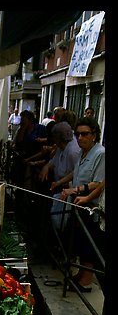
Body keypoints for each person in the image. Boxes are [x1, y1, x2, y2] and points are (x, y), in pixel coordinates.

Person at [60, 117, 105, 291]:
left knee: (89, 244)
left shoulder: (100, 153)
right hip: (79, 204)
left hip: (91, 206)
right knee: (78, 241)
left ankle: (86, 280)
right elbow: (76, 172)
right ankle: (80, 274)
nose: (80, 138)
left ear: (94, 135)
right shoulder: (82, 153)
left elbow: (99, 182)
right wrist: (61, 184)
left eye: (84, 134)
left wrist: (78, 191)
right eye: (77, 134)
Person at [39, 122, 81, 230]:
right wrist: (47, 166)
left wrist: (60, 182)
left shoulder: (73, 152)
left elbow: (76, 172)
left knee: (60, 221)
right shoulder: (61, 147)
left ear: (58, 139)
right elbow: (54, 160)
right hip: (58, 186)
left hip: (67, 191)